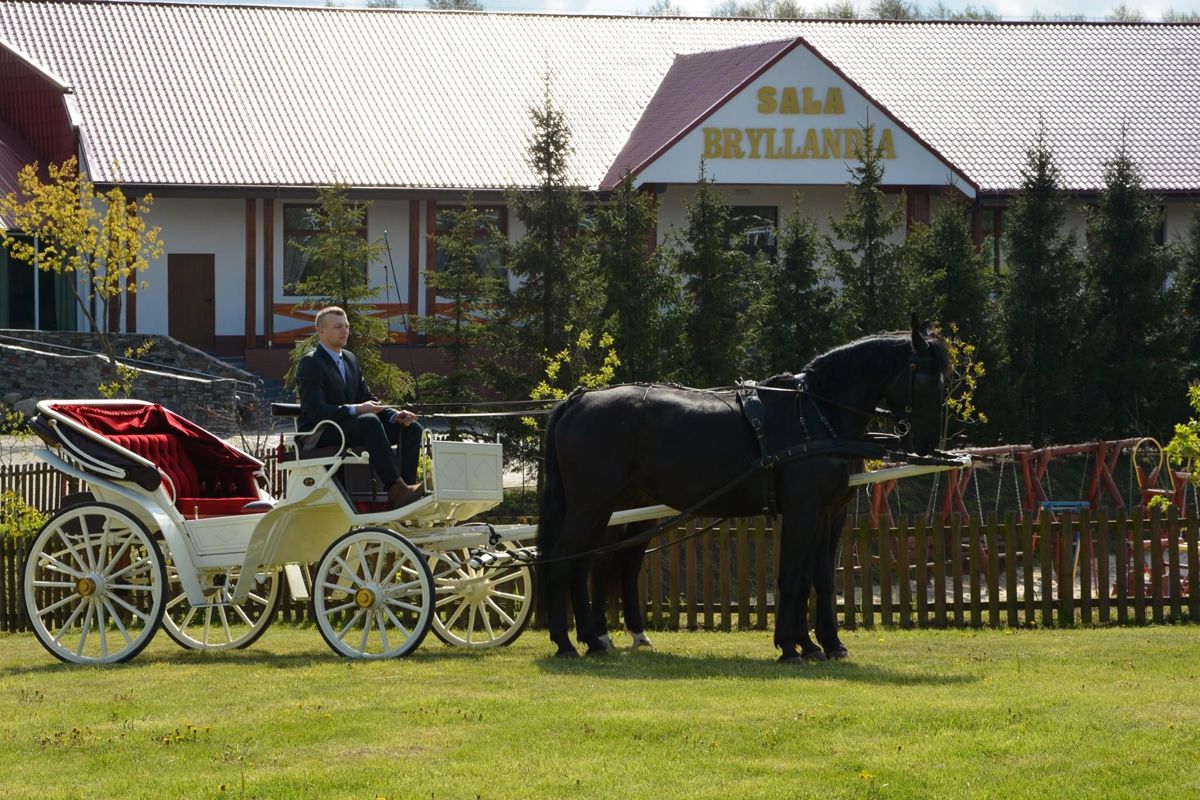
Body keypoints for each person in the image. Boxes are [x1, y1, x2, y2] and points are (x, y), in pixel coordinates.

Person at [296, 306, 425, 509]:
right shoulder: (311, 362)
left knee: (411, 427)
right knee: (368, 422)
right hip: (321, 431)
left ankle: (404, 491)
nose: (345, 330)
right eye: (338, 326)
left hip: (350, 427)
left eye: (346, 326)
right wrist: (357, 409)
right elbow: (315, 410)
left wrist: (394, 415)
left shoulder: (350, 359)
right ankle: (396, 488)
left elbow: (367, 398)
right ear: (321, 330)